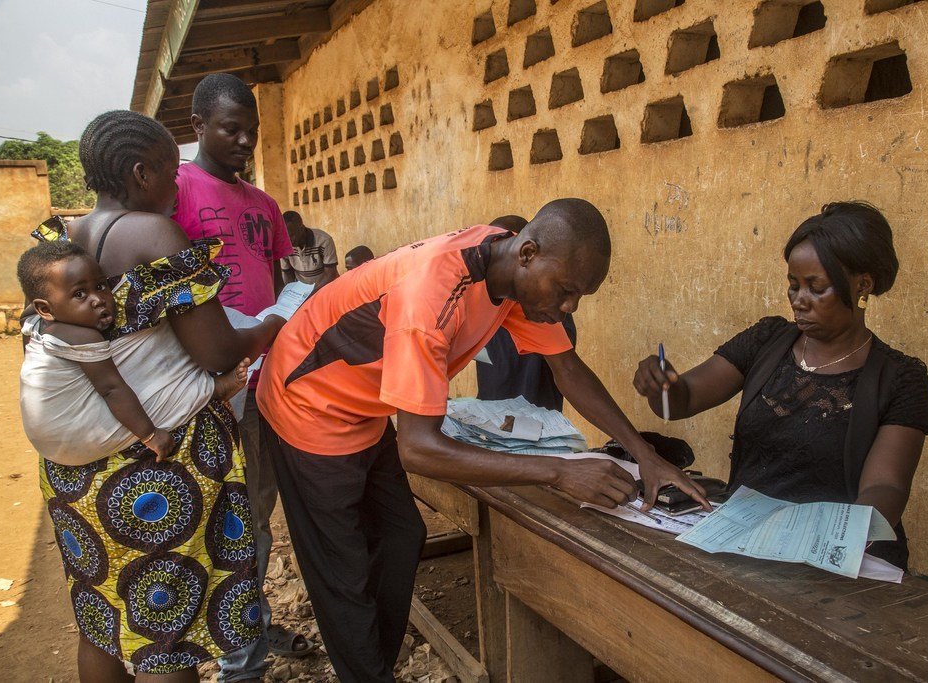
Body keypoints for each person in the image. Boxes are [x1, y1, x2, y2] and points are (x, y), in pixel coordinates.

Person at [256, 198, 710, 682]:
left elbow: (568, 369)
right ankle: (366, 670)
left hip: (363, 408)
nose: (569, 307)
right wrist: (559, 471)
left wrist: (646, 454)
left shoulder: (507, 272)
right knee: (343, 568)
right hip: (305, 406)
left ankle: (371, 664)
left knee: (401, 535)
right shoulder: (429, 298)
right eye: (566, 291)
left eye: (580, 297)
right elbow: (419, 449)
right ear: (529, 252)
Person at [30, 110, 284, 681]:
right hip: (153, 464)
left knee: (103, 618)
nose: (177, 188)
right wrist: (270, 325)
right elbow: (218, 352)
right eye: (171, 174)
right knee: (166, 628)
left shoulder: (64, 242)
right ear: (143, 173)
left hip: (80, 471)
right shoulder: (152, 233)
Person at [634, 202, 928, 569]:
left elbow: (885, 487)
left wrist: (836, 541)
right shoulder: (767, 341)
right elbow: (684, 399)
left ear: (862, 285)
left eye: (815, 287)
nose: (798, 300)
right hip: (749, 547)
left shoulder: (899, 378)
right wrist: (662, 383)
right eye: (793, 285)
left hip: (842, 561)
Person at [171, 73, 310, 673]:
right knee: (212, 516)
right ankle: (228, 651)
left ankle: (245, 633)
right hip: (206, 382)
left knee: (253, 509)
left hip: (260, 379)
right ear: (198, 126)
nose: (245, 141)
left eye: (252, 131)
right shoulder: (173, 187)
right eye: (232, 129)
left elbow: (275, 283)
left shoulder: (264, 205)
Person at [18, 240, 249, 462]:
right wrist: (150, 435)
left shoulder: (35, 322)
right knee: (155, 394)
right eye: (80, 294)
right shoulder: (82, 336)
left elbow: (26, 314)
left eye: (101, 286)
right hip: (76, 439)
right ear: (45, 308)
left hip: (47, 447)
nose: (98, 300)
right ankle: (210, 390)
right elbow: (111, 389)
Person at [475, 215, 576, 411]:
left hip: (538, 426)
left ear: (526, 254)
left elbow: (568, 369)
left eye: (504, 248)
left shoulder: (546, 309)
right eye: (490, 249)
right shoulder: (480, 303)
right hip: (490, 423)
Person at [280, 210, 339, 287]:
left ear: (301, 228)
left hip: (327, 289)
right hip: (303, 292)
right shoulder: (285, 245)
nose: (288, 240)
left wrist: (313, 294)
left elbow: (330, 275)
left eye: (291, 235)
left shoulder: (324, 240)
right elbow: (287, 273)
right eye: (285, 236)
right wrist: (294, 292)